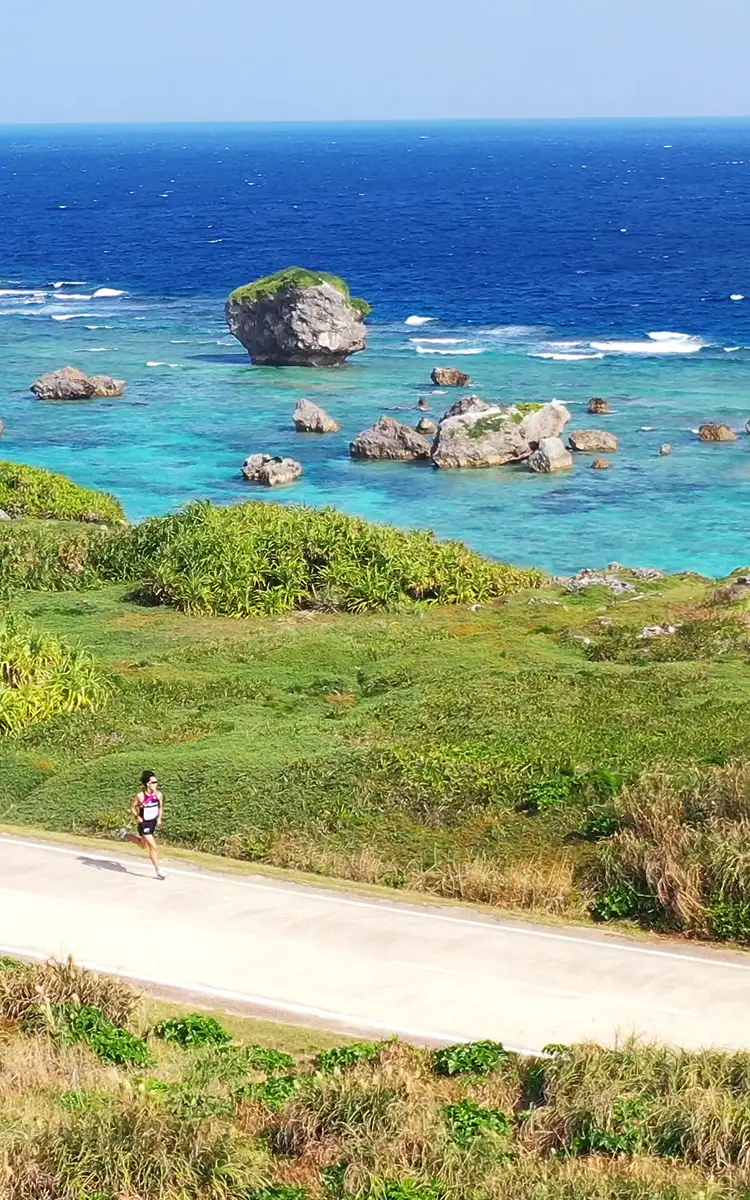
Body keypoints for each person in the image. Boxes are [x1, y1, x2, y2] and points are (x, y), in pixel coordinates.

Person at [117, 770, 166, 880]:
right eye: (154, 782)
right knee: (153, 846)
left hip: (152, 822)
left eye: (156, 782)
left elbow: (160, 806)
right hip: (144, 823)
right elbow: (132, 807)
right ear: (148, 784)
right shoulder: (140, 796)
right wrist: (137, 816)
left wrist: (159, 817)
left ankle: (125, 835)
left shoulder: (159, 794)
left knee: (142, 844)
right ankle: (158, 870)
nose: (156, 784)